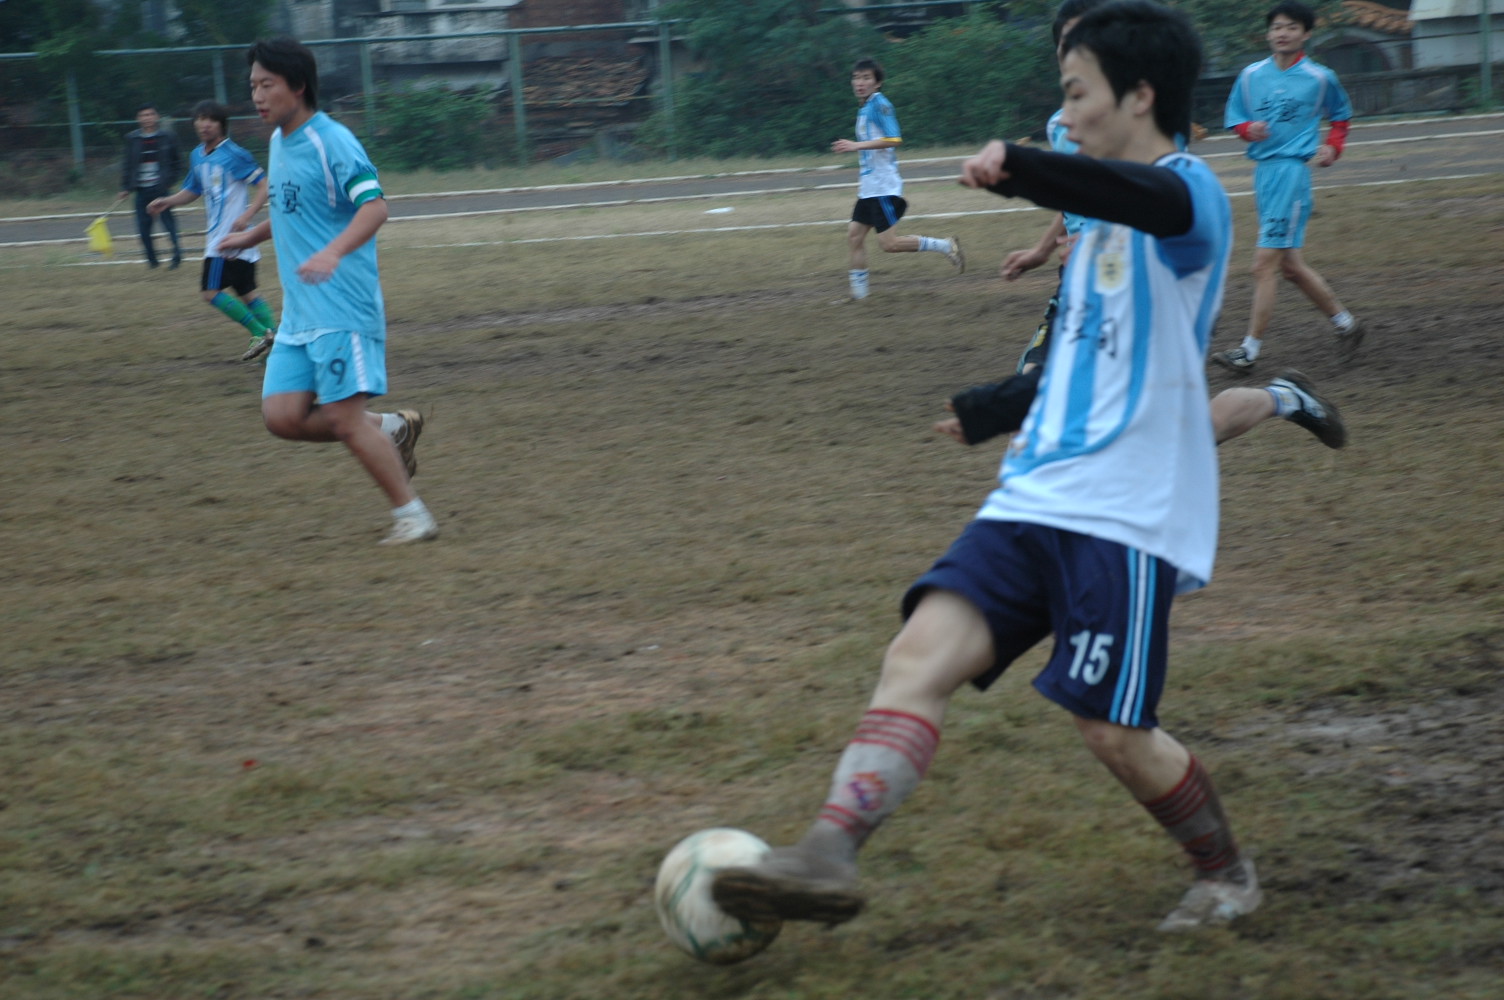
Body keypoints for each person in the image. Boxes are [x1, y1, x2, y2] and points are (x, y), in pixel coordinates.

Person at [712, 0, 1263, 933]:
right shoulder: (1095, 227)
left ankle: (1226, 874)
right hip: (1033, 493)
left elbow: (1152, 202)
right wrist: (993, 409)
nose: (1065, 113)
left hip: (1124, 513)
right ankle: (826, 853)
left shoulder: (1190, 196)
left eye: (1077, 93)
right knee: (916, 655)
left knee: (1111, 728)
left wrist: (1023, 167)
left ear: (1139, 95)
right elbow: (1085, 353)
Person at [941, 0, 1344, 452]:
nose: (1069, 115)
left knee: (1168, 430)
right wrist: (1045, 247)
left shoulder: (1169, 163)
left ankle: (1283, 398)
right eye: (1069, 47)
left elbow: (1138, 193)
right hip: (1086, 279)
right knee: (1064, 414)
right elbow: (1084, 192)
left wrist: (1021, 170)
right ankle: (1285, 397)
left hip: (1147, 296)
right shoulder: (1069, 131)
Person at [217, 37, 435, 546]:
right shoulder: (279, 142)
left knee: (342, 418)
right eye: (253, 86)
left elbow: (375, 207)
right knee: (281, 417)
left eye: (267, 85)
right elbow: (294, 207)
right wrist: (252, 236)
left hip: (342, 307)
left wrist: (333, 253)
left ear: (298, 85)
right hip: (300, 313)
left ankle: (413, 516)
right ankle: (390, 428)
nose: (257, 96)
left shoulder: (332, 141)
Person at [1213, 1, 1362, 373]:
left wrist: (1333, 148)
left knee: (1263, 265)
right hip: (1263, 174)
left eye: (1292, 27)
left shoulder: (1320, 77)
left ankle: (1248, 351)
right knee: (1291, 267)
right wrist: (1247, 130)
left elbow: (1341, 116)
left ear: (1306, 34)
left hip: (1293, 175)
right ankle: (1347, 325)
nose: (1283, 33)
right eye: (1277, 27)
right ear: (1268, 33)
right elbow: (1235, 119)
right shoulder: (1250, 75)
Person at [148, 100, 279, 362]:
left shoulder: (235, 154)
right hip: (230, 240)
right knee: (247, 293)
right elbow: (193, 190)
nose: (204, 124)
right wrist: (168, 201)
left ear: (221, 124)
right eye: (200, 119)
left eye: (210, 119)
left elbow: (265, 186)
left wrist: (247, 216)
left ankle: (259, 333)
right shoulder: (197, 155)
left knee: (210, 293)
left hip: (226, 241)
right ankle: (278, 345)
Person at [834, 58, 964, 301]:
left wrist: (856, 145)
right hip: (869, 188)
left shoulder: (880, 104)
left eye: (866, 78)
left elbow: (894, 139)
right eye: (856, 78)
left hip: (884, 187)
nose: (859, 83)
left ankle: (946, 246)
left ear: (877, 83)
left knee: (889, 244)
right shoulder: (864, 108)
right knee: (854, 236)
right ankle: (859, 298)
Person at [119, 103, 184, 269]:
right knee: (143, 228)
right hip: (141, 190)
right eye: (143, 115)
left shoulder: (168, 137)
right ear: (138, 118)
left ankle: (177, 255)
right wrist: (126, 187)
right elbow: (128, 164)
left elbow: (177, 162)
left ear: (156, 117)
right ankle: (152, 261)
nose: (147, 118)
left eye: (150, 114)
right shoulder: (132, 139)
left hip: (161, 189)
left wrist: (169, 181)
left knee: (169, 224)